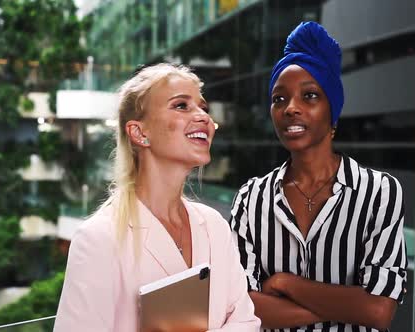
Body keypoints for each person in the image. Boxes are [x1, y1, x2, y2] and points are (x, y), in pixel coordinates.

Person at [54, 63, 260, 331]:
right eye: (182, 106)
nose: (204, 117)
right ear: (140, 133)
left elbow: (246, 321)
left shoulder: (215, 226)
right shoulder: (99, 238)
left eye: (203, 108)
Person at [229, 22, 407, 332]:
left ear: (332, 111)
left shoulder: (379, 192)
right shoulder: (250, 198)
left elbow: (379, 310)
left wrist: (287, 283)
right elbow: (239, 306)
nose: (291, 109)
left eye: (309, 96)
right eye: (279, 99)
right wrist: (352, 307)